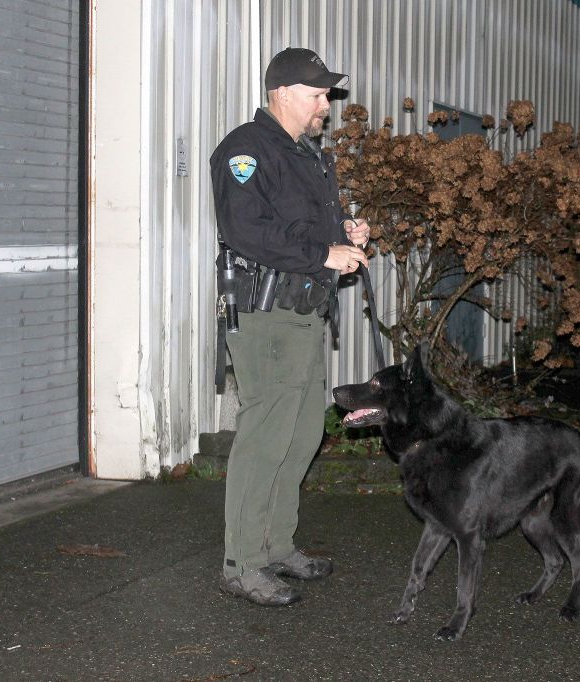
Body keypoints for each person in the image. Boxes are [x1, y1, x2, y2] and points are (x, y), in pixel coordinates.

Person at [209, 47, 370, 607]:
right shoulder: (245, 151)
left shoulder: (304, 153)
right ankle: (242, 563)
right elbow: (245, 230)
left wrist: (347, 235)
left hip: (304, 315)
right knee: (265, 440)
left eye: (326, 93)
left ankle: (277, 546)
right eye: (317, 93)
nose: (326, 103)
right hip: (267, 316)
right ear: (282, 93)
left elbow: (304, 229)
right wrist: (323, 254)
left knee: (302, 435)